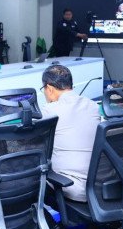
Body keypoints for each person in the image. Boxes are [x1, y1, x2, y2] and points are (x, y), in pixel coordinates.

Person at [40, 65, 100, 202]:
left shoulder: (49, 111)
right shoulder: (94, 106)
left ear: (49, 88)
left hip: (70, 187)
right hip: (100, 185)